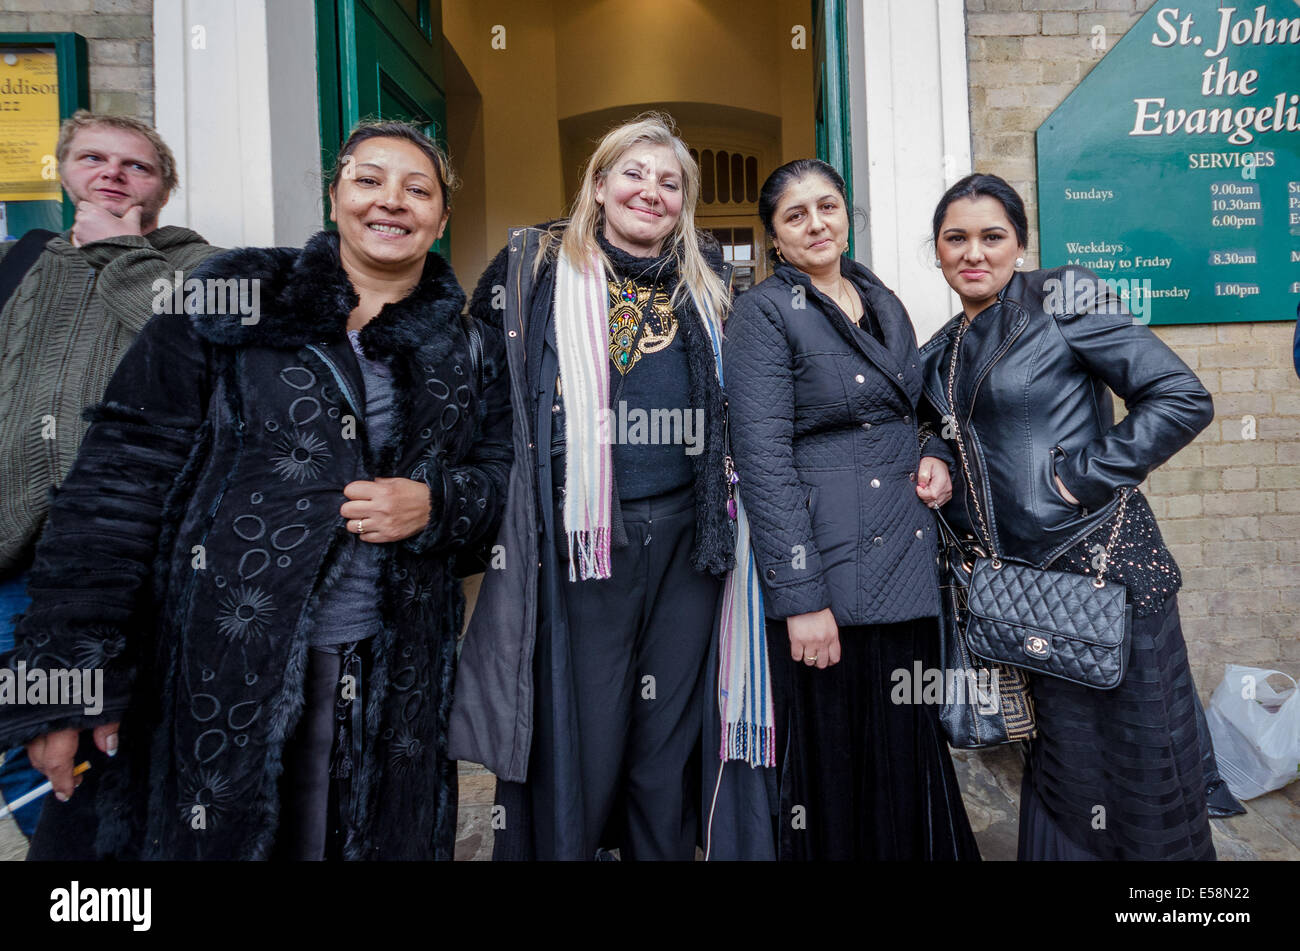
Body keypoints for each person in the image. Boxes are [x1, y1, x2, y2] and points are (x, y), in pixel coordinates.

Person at [0, 120, 511, 860]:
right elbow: (118, 476)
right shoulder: (237, 296)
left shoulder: (470, 347)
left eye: (418, 188)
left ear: (441, 215)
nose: (392, 201)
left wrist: (438, 503)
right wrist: (72, 673)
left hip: (390, 673)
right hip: (213, 663)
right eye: (369, 179)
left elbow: (501, 483)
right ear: (334, 197)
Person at [449, 113, 738, 860]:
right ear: (600, 184)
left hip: (689, 536)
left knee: (666, 734)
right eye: (634, 174)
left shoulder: (708, 281)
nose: (651, 191)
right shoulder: (535, 269)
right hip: (583, 537)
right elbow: (479, 395)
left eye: (670, 182)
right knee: (587, 730)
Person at [919, 172, 1217, 860]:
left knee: (1139, 768)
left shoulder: (1062, 295)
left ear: (1020, 245)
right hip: (1022, 596)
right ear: (936, 251)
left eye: (993, 236)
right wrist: (933, 449)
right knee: (1062, 770)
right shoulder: (943, 346)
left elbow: (1180, 396)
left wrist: (1079, 477)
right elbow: (945, 421)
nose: (974, 252)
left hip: (1103, 574)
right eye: (955, 238)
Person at [717, 158, 980, 860]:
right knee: (838, 753)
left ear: (846, 214)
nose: (816, 223)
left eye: (827, 206)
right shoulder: (763, 313)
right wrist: (800, 597)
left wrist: (937, 453)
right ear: (774, 237)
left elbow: (921, 406)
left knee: (905, 741)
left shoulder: (881, 297)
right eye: (795, 215)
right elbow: (762, 460)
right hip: (827, 568)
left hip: (905, 558)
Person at [0, 111, 217, 840]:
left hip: (128, 552)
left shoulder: (198, 263)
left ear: (165, 187)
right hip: (14, 547)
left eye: (137, 166)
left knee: (111, 742)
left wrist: (118, 249)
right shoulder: (19, 263)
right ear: (63, 170)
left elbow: (198, 345)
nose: (113, 174)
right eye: (94, 158)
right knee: (25, 735)